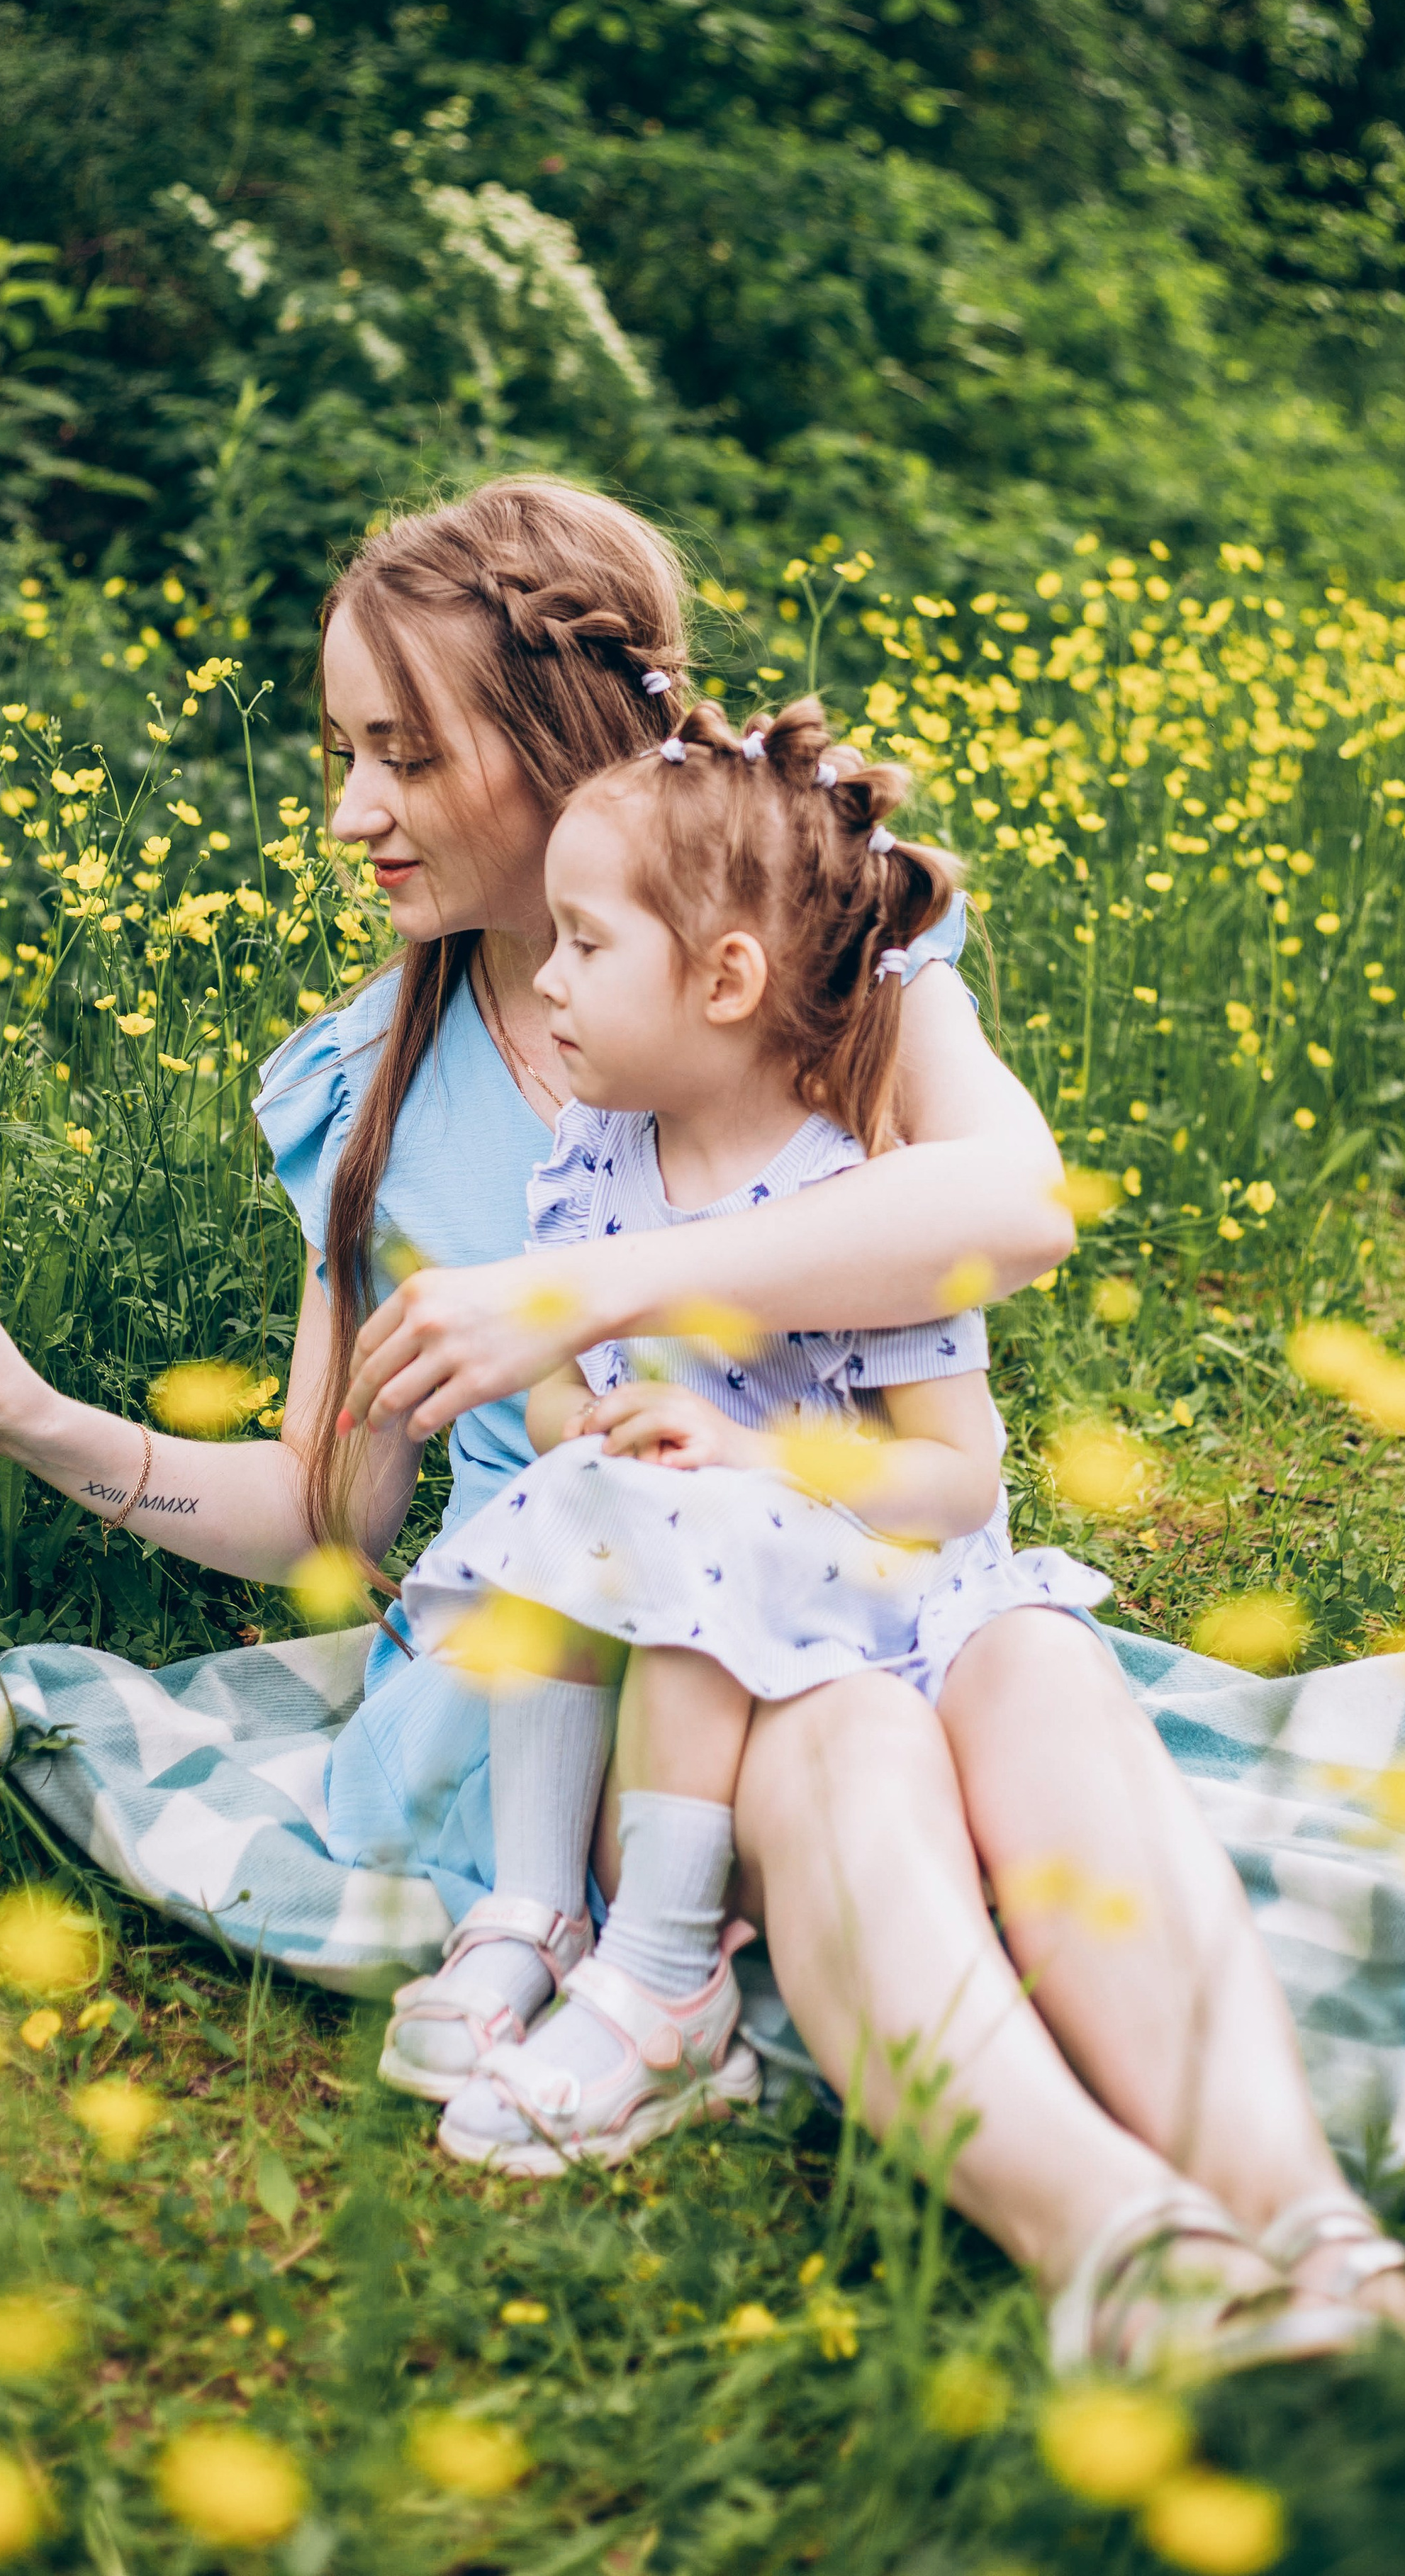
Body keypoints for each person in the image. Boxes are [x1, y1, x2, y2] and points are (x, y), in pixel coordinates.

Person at [0, 476, 1405, 2370]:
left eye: (404, 756)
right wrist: (31, 1418)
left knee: (1038, 1673)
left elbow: (1012, 1208)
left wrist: (586, 1291)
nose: (351, 813)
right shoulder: (370, 1091)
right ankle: (1124, 2251)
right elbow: (319, 1521)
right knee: (841, 1745)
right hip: (622, 1661)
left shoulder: (815, 959)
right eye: (345, 752)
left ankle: (1317, 2244)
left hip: (861, 1542)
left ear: (570, 747)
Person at [387, 693, 1109, 2191]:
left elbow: (956, 1479)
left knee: (677, 1527)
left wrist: (750, 1457)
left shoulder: (863, 1200)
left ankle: (665, 1972)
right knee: (582, 1500)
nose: (552, 984)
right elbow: (557, 1380)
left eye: (585, 946)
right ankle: (535, 1908)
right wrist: (577, 1422)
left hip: (852, 1566)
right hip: (683, 1530)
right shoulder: (597, 1153)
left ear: (723, 977)